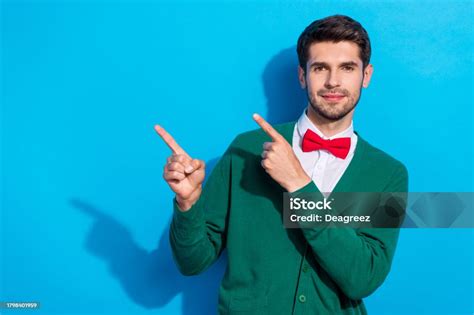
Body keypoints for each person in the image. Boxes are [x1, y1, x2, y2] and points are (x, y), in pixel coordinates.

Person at [155, 14, 408, 315]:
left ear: (366, 75)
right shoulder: (245, 150)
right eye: (320, 68)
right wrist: (188, 203)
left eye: (347, 68)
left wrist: (299, 186)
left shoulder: (388, 173)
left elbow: (362, 279)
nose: (333, 81)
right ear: (302, 76)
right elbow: (192, 262)